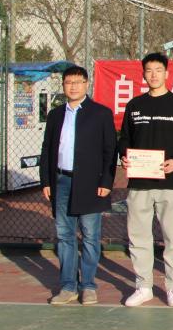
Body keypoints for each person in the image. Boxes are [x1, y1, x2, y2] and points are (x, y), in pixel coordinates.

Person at [118, 52, 173, 307]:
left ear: (167, 73)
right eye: (149, 70)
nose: (153, 75)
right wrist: (124, 156)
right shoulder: (134, 105)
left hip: (169, 183)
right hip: (139, 183)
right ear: (143, 74)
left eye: (158, 70)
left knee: (172, 238)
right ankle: (144, 286)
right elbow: (125, 138)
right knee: (138, 237)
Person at [39, 65, 116, 305]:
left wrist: (106, 181)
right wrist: (46, 180)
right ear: (63, 85)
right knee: (65, 235)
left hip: (91, 184)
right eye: (68, 82)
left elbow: (110, 150)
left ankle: (88, 286)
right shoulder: (55, 115)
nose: (73, 86)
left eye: (78, 82)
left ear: (86, 84)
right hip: (61, 181)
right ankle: (68, 286)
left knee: (91, 236)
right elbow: (47, 149)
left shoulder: (101, 113)